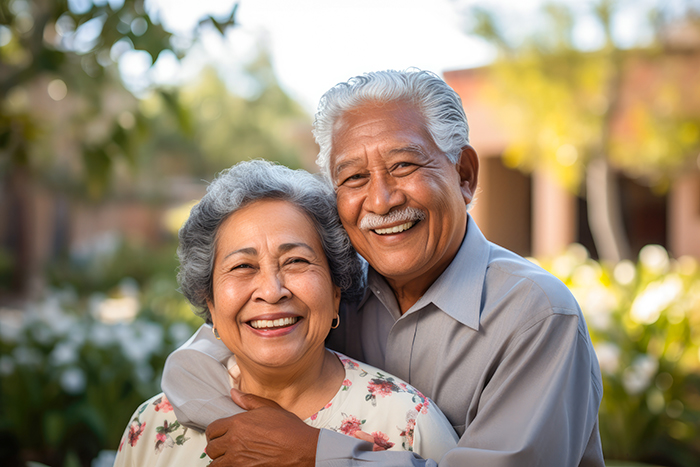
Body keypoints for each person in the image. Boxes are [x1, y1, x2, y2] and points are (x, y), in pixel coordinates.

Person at [162, 70, 605, 466]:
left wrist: (312, 453)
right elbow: (195, 363)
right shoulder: (329, 291)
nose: (381, 200)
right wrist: (246, 430)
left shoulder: (535, 316)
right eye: (354, 178)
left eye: (403, 166)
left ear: (465, 174)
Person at [113, 160, 458, 466]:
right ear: (211, 304)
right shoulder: (154, 426)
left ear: (336, 290)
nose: (272, 291)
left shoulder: (409, 422)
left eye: (296, 261)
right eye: (243, 266)